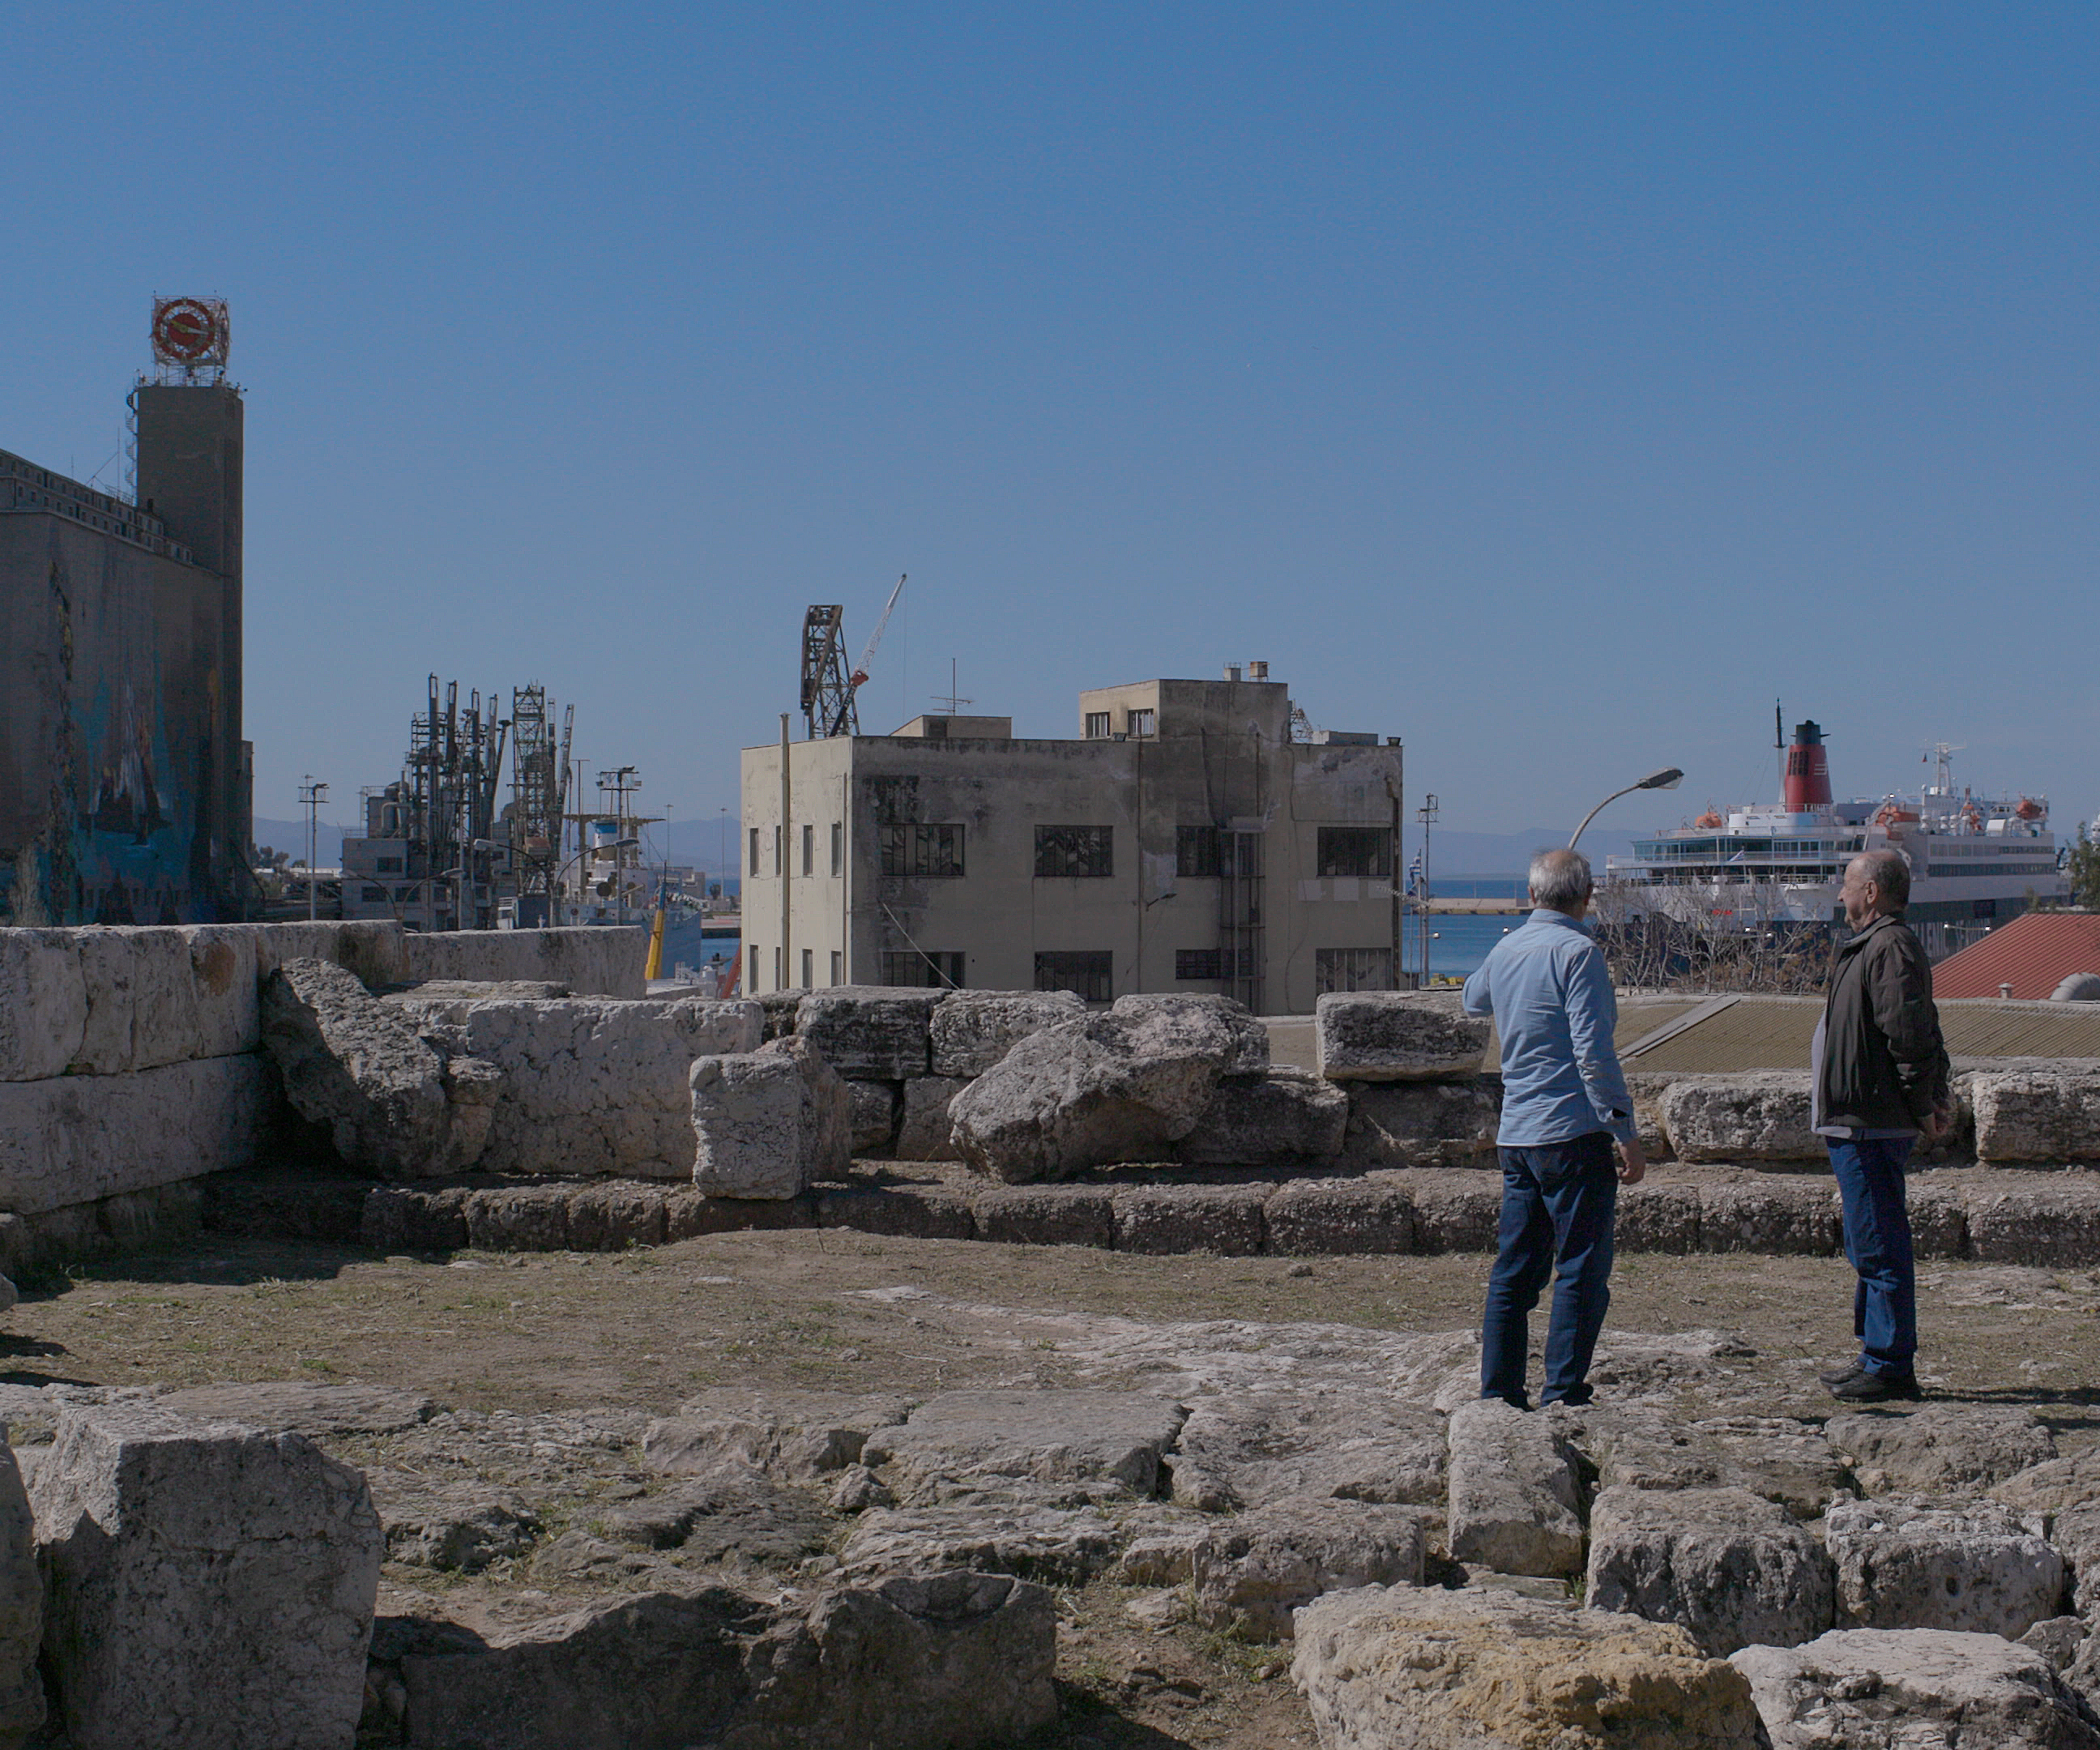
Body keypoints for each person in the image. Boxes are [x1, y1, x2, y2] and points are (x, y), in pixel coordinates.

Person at [1462, 848, 1646, 1409]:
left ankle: (1499, 1392)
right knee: (1581, 1269)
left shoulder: (1508, 947)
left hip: (1517, 1132)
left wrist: (1514, 943)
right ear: (1588, 898)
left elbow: (1473, 998)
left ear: (1533, 894)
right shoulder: (1579, 953)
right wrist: (1626, 1130)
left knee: (1514, 1273)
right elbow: (1594, 1054)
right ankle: (1563, 1390)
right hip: (1571, 1131)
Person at [1813, 849, 1950, 1403]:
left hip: (1872, 1119)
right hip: (1857, 1119)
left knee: (1880, 1242)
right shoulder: (1873, 945)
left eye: (1847, 885)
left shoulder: (1888, 946)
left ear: (1871, 892)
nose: (1840, 894)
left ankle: (1891, 1362)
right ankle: (1875, 1352)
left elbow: (1909, 1034)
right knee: (1867, 1242)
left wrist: (1923, 1103)